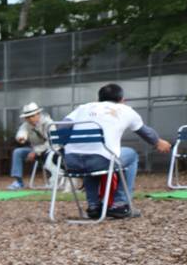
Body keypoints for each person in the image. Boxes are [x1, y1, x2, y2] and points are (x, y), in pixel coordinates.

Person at [62, 83, 171, 220]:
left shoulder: (83, 108)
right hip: (100, 161)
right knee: (131, 155)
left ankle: (94, 206)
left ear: (98, 99)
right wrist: (158, 142)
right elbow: (145, 132)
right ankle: (119, 204)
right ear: (122, 100)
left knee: (91, 155)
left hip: (71, 162)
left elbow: (61, 127)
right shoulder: (125, 110)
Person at [8, 102, 54, 190]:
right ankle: (19, 182)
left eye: (32, 116)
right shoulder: (26, 125)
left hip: (49, 150)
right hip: (34, 150)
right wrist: (21, 137)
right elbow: (22, 132)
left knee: (51, 155)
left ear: (38, 114)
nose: (30, 119)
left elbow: (51, 142)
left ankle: (53, 181)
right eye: (27, 117)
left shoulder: (48, 123)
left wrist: (36, 151)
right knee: (17, 152)